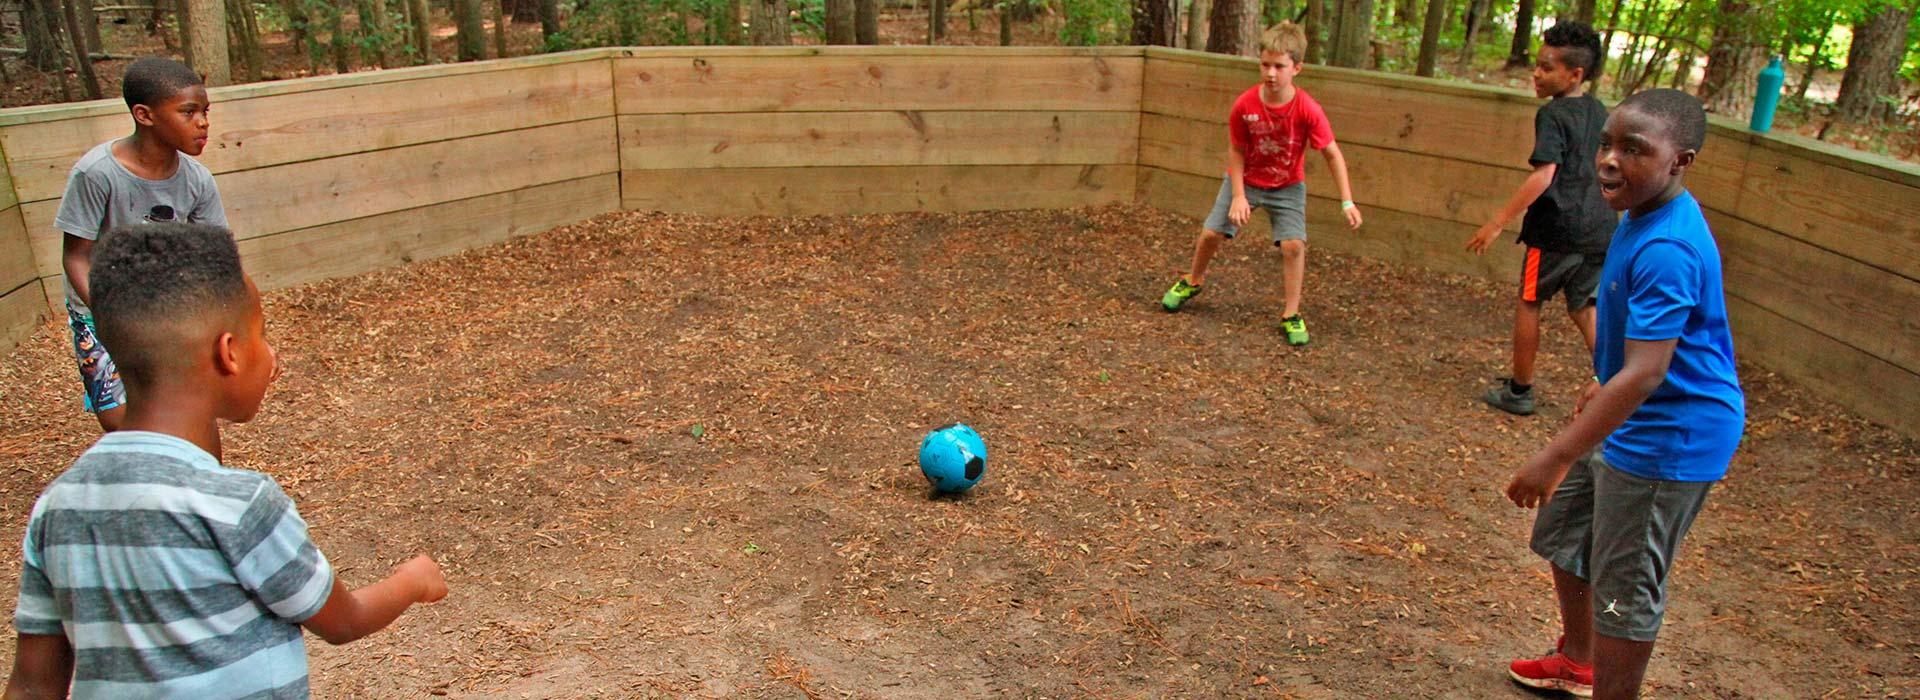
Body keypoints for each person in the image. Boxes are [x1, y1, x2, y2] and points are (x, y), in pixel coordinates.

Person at [6, 223, 448, 699]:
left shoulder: (58, 508)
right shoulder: (237, 504)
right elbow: (343, 621)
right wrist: (411, 581)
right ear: (229, 353)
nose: (271, 353)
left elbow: (32, 687)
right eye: (261, 333)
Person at [1503, 89, 1745, 700]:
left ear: (1679, 161)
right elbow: (1641, 357)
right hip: (1636, 409)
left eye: (1633, 149)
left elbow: (1647, 373)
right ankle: (1579, 662)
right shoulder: (1640, 217)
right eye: (1606, 144)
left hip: (1671, 435)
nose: (1609, 160)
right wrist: (1604, 382)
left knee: (1625, 588)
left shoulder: (1667, 246)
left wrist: (1556, 453)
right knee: (1563, 529)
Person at [1159, 21, 1364, 347]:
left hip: (1287, 184)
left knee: (1294, 245)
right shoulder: (1245, 105)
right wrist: (1239, 196)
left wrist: (1347, 201)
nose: (1271, 73)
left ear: (1297, 68)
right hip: (1247, 178)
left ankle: (1291, 313)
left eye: (1279, 66)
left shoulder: (1308, 110)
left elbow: (1332, 154)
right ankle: (1193, 280)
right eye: (1265, 64)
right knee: (1212, 232)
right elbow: (1237, 151)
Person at [55, 57, 227, 432]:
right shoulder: (96, 173)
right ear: (144, 115)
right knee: (124, 424)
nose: (203, 122)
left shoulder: (197, 180)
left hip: (163, 310)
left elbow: (216, 260)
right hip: (100, 311)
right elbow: (76, 257)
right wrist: (113, 316)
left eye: (205, 111)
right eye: (188, 112)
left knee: (190, 418)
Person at [1466, 21, 1616, 416]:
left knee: (1530, 301)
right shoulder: (1599, 111)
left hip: (1555, 231)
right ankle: (1618, 387)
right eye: (1537, 64)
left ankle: (1520, 391)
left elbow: (1544, 175)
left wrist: (1497, 221)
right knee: (1584, 306)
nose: (1537, 73)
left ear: (1575, 74)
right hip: (1599, 228)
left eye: (1547, 67)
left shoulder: (1553, 115)